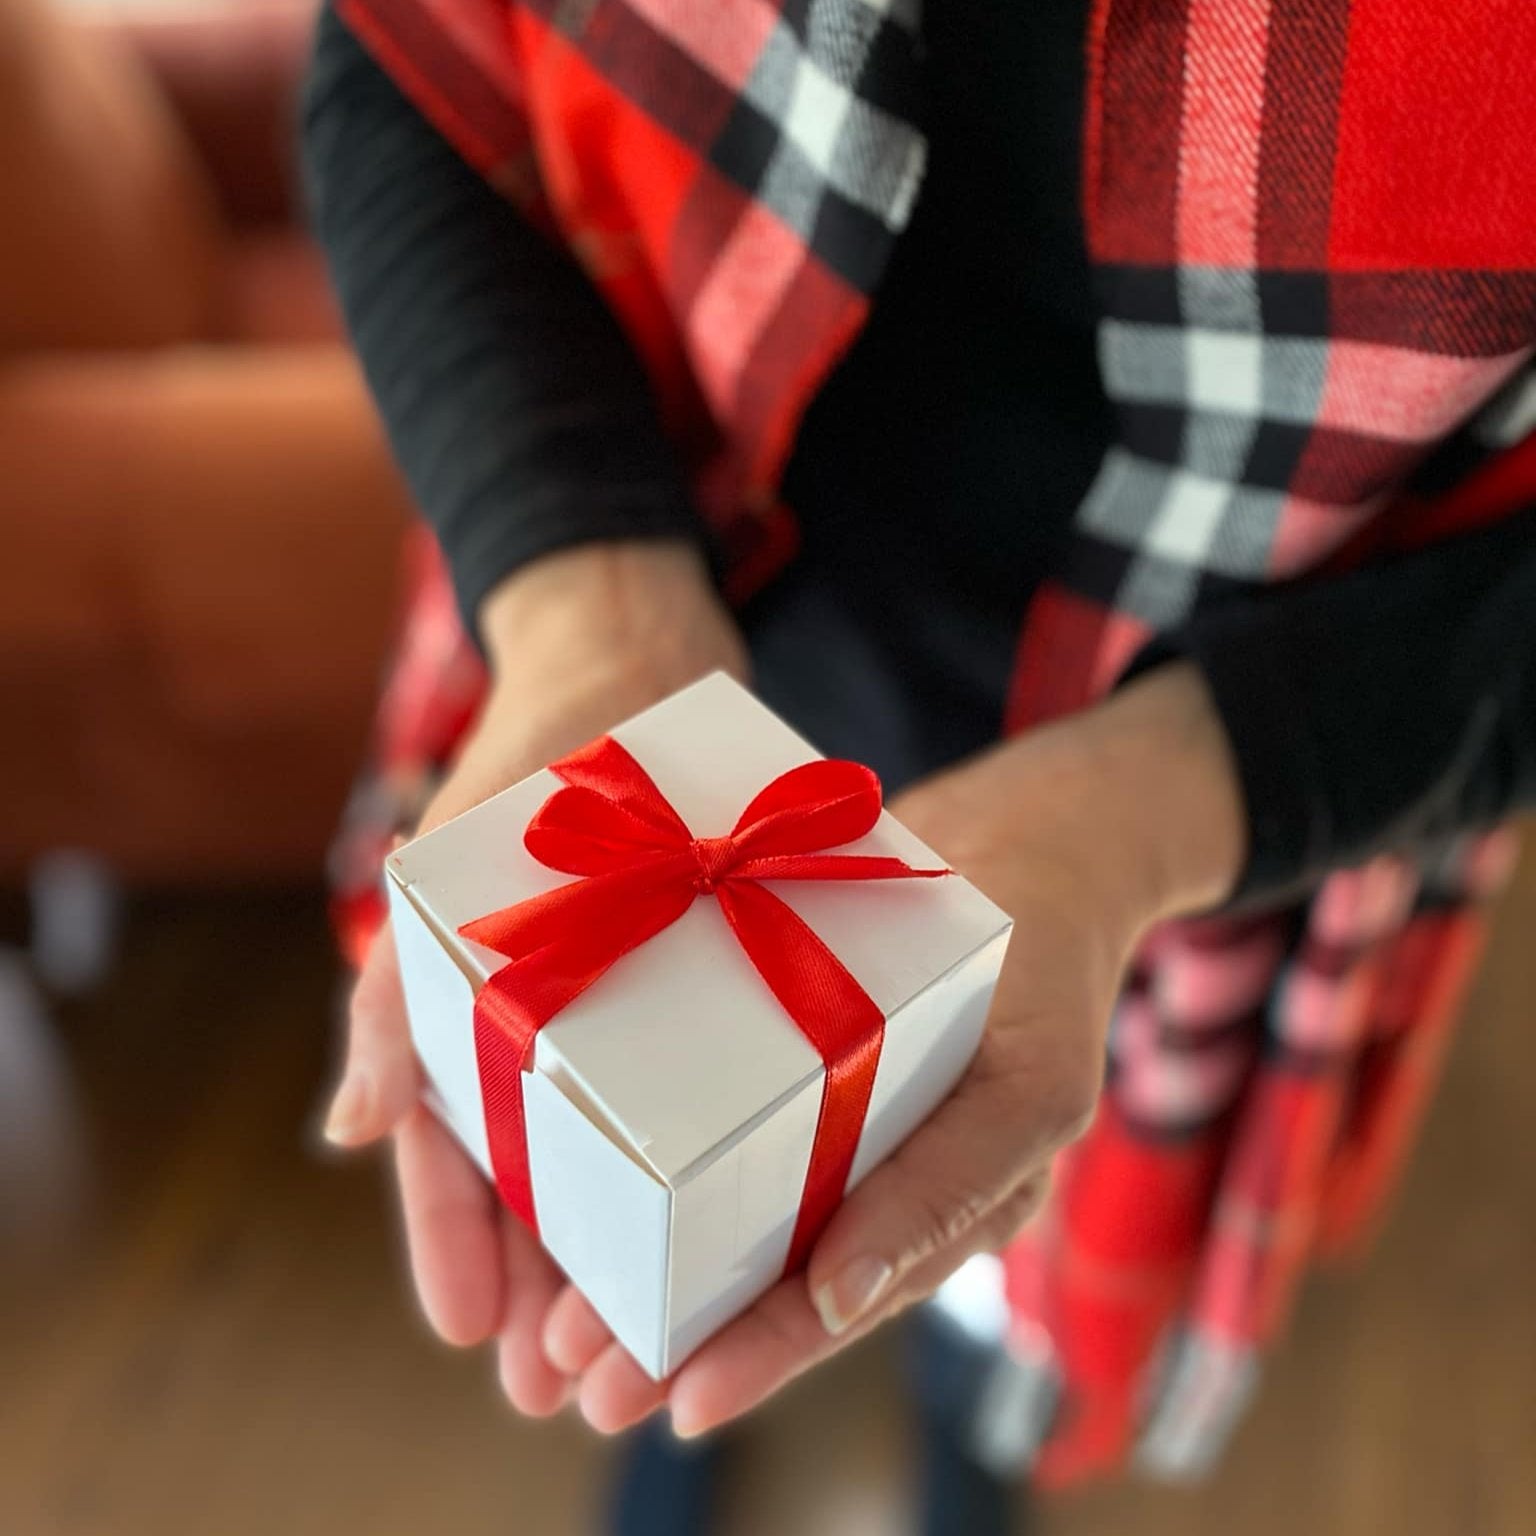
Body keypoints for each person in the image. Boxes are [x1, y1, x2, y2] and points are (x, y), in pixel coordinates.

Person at [304, 0, 1536, 1527]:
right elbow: (389, 52)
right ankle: (674, 1399)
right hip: (654, 604)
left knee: (976, 1220)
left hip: (1238, 748)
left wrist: (1153, 805)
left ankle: (970, 1434)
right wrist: (582, 592)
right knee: (665, 1223)